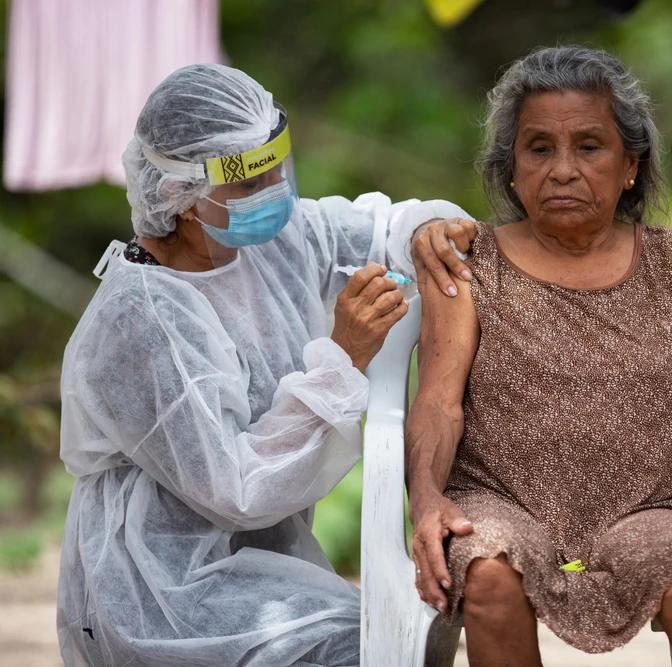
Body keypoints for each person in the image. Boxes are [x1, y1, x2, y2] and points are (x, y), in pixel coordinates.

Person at [405, 46, 672, 667]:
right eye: (538, 149)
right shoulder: (471, 265)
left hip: (642, 513)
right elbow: (439, 405)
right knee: (488, 571)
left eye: (589, 146)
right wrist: (426, 501)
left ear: (630, 164)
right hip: (498, 504)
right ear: (510, 169)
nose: (562, 169)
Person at [57, 63, 477, 667]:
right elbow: (238, 490)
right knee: (361, 651)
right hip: (164, 596)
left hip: (263, 569)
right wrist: (343, 358)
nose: (277, 189)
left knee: (385, 645)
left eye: (277, 165)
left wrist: (427, 229)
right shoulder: (140, 321)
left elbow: (383, 228)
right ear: (178, 195)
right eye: (251, 183)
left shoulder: (268, 242)